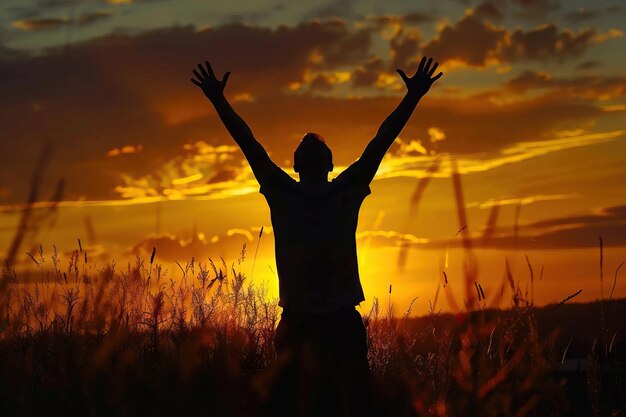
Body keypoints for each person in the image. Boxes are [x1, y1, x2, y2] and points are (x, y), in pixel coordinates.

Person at [191, 56, 443, 417]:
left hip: (336, 322)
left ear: (328, 163)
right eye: (306, 147)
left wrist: (413, 97)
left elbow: (382, 140)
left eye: (317, 147)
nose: (310, 147)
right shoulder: (284, 189)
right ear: (299, 164)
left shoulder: (344, 189)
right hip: (302, 323)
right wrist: (218, 101)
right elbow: (248, 143)